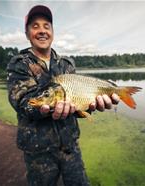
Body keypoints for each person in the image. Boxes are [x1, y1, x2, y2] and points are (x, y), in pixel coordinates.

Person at [7, 5, 120, 186]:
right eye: (35, 26)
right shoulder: (20, 63)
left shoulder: (67, 64)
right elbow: (22, 102)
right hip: (38, 151)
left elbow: (76, 104)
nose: (42, 30)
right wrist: (45, 109)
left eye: (47, 26)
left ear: (52, 32)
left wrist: (91, 107)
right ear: (27, 33)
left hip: (70, 146)